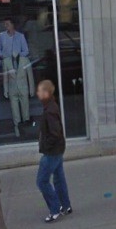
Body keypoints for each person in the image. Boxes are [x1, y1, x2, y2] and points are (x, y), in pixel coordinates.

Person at [36, 80, 71, 223]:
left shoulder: (49, 110)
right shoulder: (51, 106)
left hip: (52, 152)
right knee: (58, 178)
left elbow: (54, 133)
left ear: (46, 93)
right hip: (57, 149)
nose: (37, 93)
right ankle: (66, 206)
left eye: (39, 91)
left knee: (42, 181)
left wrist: (47, 146)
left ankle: (55, 209)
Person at [0, 18, 35, 137]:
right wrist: (4, 56)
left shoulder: (20, 36)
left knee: (25, 109)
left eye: (8, 24)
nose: (6, 26)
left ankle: (26, 128)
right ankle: (17, 130)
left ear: (13, 25)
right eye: (5, 24)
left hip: (20, 65)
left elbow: (26, 51)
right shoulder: (2, 36)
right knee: (15, 112)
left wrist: (18, 56)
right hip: (9, 67)